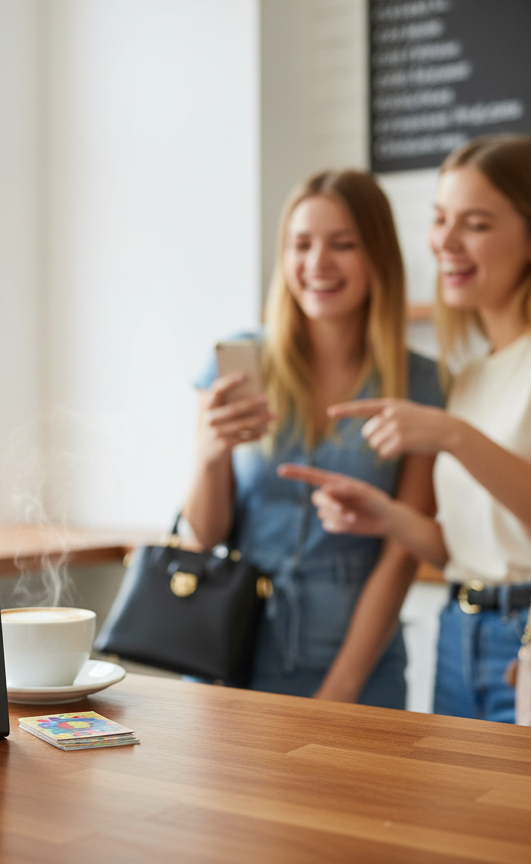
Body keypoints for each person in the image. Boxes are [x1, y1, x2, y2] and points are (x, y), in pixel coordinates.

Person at [279, 135, 531, 723]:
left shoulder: (459, 406)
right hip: (459, 633)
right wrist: (387, 517)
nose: (443, 242)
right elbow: (480, 554)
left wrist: (451, 436)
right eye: (440, 219)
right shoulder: (470, 377)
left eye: (474, 224)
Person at [184, 169, 443, 707]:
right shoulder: (238, 361)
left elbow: (401, 556)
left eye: (342, 244)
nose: (317, 264)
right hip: (230, 653)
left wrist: (339, 693)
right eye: (301, 245)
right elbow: (204, 536)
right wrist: (209, 457)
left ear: (378, 257)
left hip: (357, 666)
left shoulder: (421, 384)